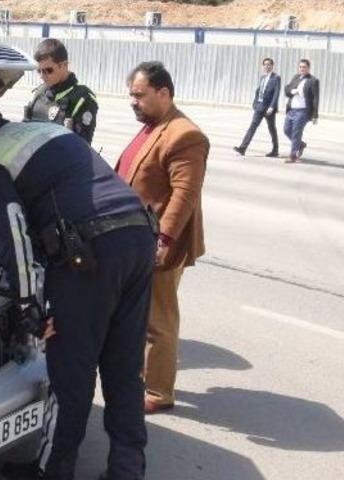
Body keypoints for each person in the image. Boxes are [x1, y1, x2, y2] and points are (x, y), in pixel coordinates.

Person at [0, 96, 156, 480]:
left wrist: (29, 308)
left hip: (89, 257)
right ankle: (127, 471)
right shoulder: (45, 130)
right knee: (124, 367)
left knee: (71, 374)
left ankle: (54, 471)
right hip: (138, 237)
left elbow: (14, 235)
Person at [116, 62, 209, 415]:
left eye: (139, 95)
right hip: (137, 238)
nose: (133, 102)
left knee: (159, 320)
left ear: (163, 93)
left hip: (159, 245)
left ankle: (158, 392)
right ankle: (142, 375)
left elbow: (185, 193)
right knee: (140, 315)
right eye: (131, 95)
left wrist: (164, 240)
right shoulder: (154, 126)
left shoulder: (185, 135)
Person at [23, 38, 99, 144]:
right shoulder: (40, 92)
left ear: (64, 65)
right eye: (39, 71)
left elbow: (82, 147)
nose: (42, 76)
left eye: (48, 70)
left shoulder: (82, 98)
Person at [233, 57, 281, 157]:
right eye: (265, 64)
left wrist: (272, 107)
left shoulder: (276, 78)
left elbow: (276, 93)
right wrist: (255, 103)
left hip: (269, 109)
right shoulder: (262, 77)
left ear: (272, 66)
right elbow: (259, 91)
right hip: (259, 107)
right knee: (252, 126)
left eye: (269, 64)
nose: (267, 66)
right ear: (262, 66)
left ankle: (275, 150)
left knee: (272, 128)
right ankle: (242, 148)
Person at [283, 59, 320, 163]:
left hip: (302, 111)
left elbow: (315, 98)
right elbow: (287, 89)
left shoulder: (313, 80)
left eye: (304, 67)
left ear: (308, 68)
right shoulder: (296, 77)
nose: (302, 69)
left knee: (296, 133)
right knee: (286, 130)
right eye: (300, 67)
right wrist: (291, 91)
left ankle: (293, 155)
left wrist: (315, 115)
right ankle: (300, 144)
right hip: (291, 110)